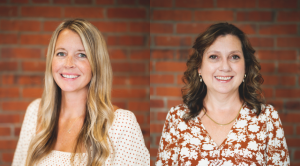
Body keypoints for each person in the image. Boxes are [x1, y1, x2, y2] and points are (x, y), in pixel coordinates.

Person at [12, 19, 150, 166]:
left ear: (96, 63)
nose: (69, 63)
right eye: (61, 53)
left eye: (82, 55)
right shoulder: (35, 112)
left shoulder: (122, 124)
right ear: (51, 60)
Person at [156, 23, 290, 166]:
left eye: (234, 57)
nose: (225, 67)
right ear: (199, 67)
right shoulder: (177, 118)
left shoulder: (268, 118)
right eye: (214, 56)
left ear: (245, 67)